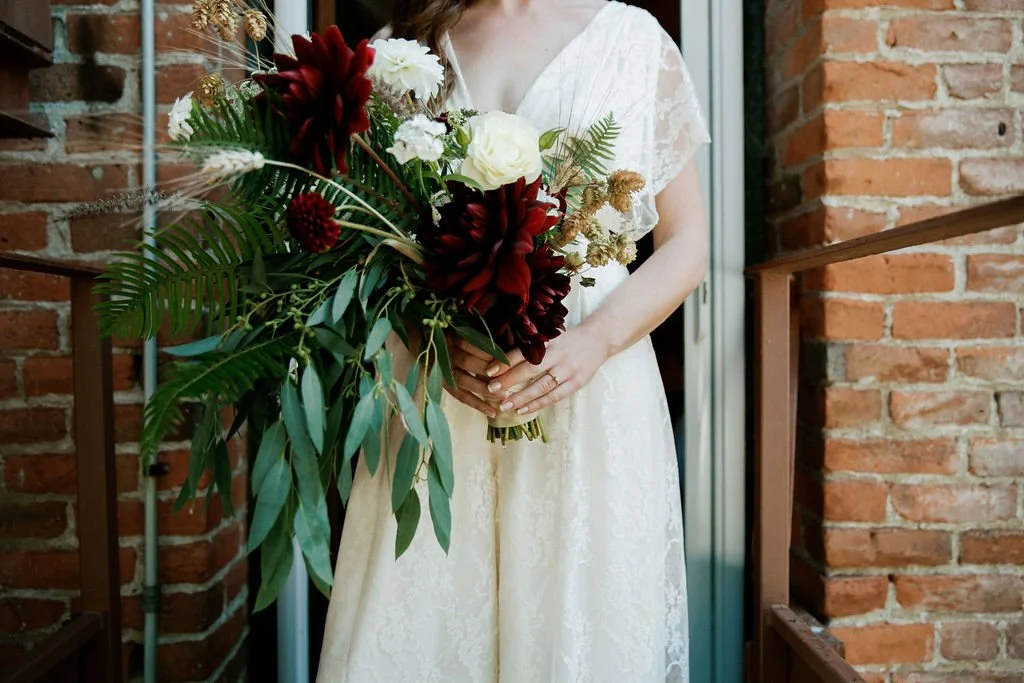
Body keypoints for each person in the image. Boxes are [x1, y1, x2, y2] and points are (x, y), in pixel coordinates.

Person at [316, 1, 709, 680]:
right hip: (440, 387)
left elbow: (686, 243)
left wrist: (593, 343)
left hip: (590, 386)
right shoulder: (401, 50)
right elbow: (367, 246)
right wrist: (425, 338)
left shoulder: (634, 41)